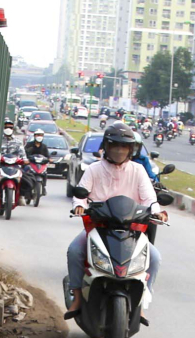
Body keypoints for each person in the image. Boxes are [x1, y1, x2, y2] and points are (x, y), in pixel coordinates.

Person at [64, 124, 164, 318]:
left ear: (131, 150)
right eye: (115, 146)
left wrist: (156, 211)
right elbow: (80, 195)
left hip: (131, 229)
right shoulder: (94, 169)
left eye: (124, 147)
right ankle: (76, 296)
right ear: (106, 147)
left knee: (155, 258)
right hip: (99, 226)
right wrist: (80, 205)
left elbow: (149, 198)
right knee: (74, 251)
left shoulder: (138, 170)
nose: (119, 151)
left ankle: (142, 302)